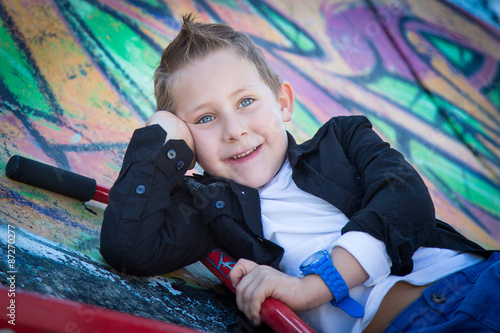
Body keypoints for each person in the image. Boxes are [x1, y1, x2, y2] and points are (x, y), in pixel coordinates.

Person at [100, 14, 499, 332]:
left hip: (476, 286)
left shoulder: (343, 139)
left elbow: (406, 201)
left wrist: (312, 287)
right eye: (204, 118)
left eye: (246, 101)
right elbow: (128, 248)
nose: (234, 130)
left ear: (283, 102)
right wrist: (160, 138)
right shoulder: (209, 210)